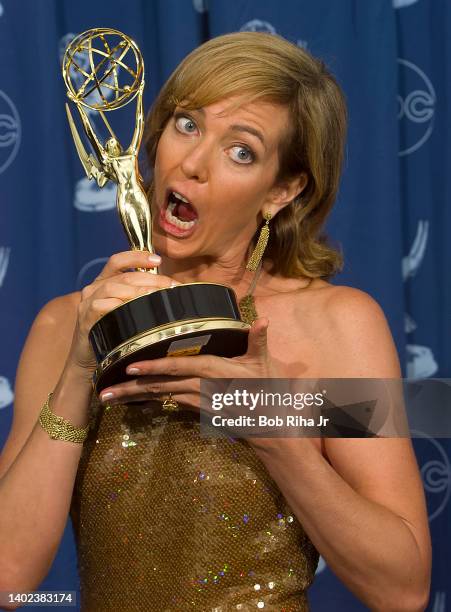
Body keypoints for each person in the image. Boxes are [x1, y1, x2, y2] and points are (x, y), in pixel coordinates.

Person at [0, 32, 431, 611]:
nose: (194, 163)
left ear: (282, 189)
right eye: (187, 124)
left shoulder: (336, 327)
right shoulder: (65, 327)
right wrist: (81, 372)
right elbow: (10, 581)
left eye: (241, 151)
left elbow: (403, 589)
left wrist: (274, 431)